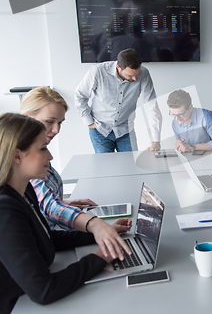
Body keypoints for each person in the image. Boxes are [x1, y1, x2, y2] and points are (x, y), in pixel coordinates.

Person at [0, 113, 131, 312]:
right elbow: (44, 291)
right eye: (43, 149)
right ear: (17, 156)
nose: (50, 156)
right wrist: (103, 255)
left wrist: (99, 234)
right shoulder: (5, 211)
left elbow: (46, 238)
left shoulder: (23, 190)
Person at [20, 86, 132, 258]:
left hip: (53, 237)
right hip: (46, 245)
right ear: (27, 118)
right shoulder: (26, 158)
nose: (56, 130)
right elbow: (50, 209)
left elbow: (37, 200)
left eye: (60, 123)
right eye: (49, 121)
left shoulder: (37, 150)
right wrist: (96, 225)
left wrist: (63, 201)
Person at [75, 48, 162, 153]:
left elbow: (151, 106)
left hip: (125, 130)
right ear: (118, 67)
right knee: (106, 167)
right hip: (100, 130)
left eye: (136, 74)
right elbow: (80, 96)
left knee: (131, 165)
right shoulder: (98, 71)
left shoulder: (143, 74)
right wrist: (89, 122)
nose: (135, 78)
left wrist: (155, 139)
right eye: (130, 75)